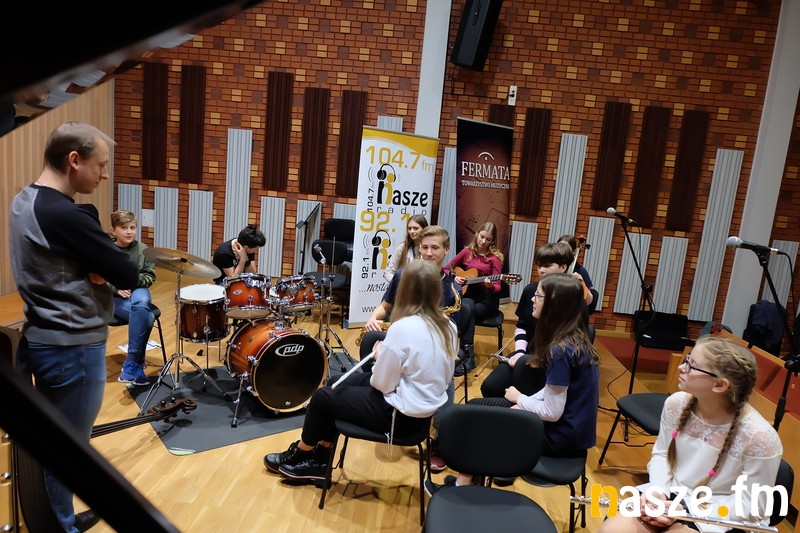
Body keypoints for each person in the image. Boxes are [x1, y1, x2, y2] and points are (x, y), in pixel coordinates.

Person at [9, 122, 139, 532]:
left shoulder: (26, 199)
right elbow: (127, 272)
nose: (105, 174)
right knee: (70, 449)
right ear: (74, 160)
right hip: (73, 347)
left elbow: (66, 259)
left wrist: (87, 264)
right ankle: (61, 526)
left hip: (44, 336)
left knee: (57, 442)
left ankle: (58, 517)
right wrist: (96, 266)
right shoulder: (63, 214)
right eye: (101, 165)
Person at [263, 260, 458, 482]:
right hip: (422, 415)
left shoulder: (403, 327)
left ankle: (302, 452)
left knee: (322, 397)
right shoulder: (449, 326)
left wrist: (379, 357)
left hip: (400, 417)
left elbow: (381, 384)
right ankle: (321, 457)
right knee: (335, 382)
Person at [426, 273, 600, 493]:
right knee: (475, 409)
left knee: (480, 422)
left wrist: (521, 399)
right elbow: (551, 393)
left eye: (538, 296)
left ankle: (462, 487)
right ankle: (466, 483)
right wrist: (523, 403)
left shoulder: (560, 351)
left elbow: (552, 412)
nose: (532, 299)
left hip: (559, 439)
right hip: (560, 428)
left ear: (554, 305)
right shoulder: (569, 339)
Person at [597, 336, 783, 533]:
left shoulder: (760, 437)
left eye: (691, 365)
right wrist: (658, 492)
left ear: (720, 385)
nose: (681, 367)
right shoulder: (676, 404)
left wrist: (685, 511)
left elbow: (751, 507)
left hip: (718, 515)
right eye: (686, 360)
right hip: (671, 495)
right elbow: (661, 454)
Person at [360, 225, 470, 471]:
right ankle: (383, 413)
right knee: (372, 344)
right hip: (402, 337)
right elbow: (385, 306)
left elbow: (450, 333)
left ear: (446, 250)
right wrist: (373, 318)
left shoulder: (453, 288)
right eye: (424, 247)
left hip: (433, 347)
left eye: (435, 248)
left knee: (446, 376)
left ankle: (439, 438)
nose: (428, 253)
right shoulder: (404, 275)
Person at [481, 241, 586, 398]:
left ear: (563, 267)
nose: (541, 270)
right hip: (528, 353)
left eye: (547, 265)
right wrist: (519, 352)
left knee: (524, 391)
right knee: (490, 387)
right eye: (539, 265)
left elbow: (576, 343)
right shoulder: (531, 290)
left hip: (553, 361)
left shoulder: (574, 299)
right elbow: (521, 326)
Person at [445, 222, 504, 374]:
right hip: (470, 294)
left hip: (487, 299)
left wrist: (490, 286)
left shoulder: (495, 258)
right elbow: (446, 268)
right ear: (477, 234)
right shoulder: (467, 252)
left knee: (466, 312)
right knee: (466, 308)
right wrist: (454, 277)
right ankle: (467, 355)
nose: (483, 241)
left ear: (493, 241)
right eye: (482, 237)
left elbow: (498, 286)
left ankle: (462, 353)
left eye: (488, 239)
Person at [109, 210, 157, 386]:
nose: (129, 232)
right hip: (112, 295)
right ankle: (137, 364)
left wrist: (130, 281)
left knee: (142, 302)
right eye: (124, 228)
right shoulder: (105, 249)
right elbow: (96, 277)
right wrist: (115, 288)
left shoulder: (143, 249)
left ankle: (130, 362)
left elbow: (150, 275)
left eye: (132, 227)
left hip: (137, 288)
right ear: (113, 230)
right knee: (148, 317)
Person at [383, 214, 428, 283]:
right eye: (409, 228)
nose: (412, 231)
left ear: (424, 229)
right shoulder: (402, 248)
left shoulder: (430, 249)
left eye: (415, 228)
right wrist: (399, 285)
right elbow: (388, 272)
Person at [558, 234, 595, 308]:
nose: (562, 251)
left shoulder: (581, 271)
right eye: (559, 247)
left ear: (573, 252)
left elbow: (588, 301)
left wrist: (582, 282)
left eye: (566, 248)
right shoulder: (553, 268)